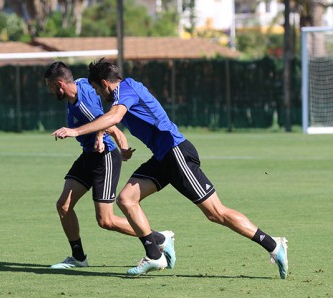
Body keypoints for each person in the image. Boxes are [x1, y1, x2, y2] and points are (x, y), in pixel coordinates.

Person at [51, 58, 288, 278]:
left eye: (98, 89)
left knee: (216, 213)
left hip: (177, 153)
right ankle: (155, 255)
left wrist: (75, 131)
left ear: (104, 83)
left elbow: (113, 117)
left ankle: (273, 244)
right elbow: (108, 118)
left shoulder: (127, 89)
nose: (98, 94)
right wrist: (101, 135)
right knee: (126, 199)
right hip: (163, 158)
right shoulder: (119, 95)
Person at [44, 61, 175, 269]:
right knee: (63, 205)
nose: (49, 91)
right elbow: (100, 113)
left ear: (59, 83)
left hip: (104, 157)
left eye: (50, 86)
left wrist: (116, 142)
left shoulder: (82, 102)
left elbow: (109, 122)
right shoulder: (80, 85)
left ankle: (159, 239)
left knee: (106, 220)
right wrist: (100, 135)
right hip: (89, 155)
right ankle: (79, 258)